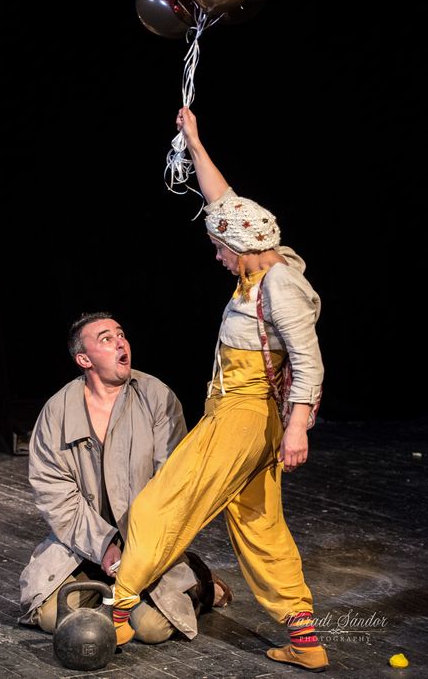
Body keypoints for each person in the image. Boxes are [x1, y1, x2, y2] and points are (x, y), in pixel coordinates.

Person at [112, 107, 328, 671]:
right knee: (259, 525)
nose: (216, 255)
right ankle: (305, 639)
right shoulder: (262, 262)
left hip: (244, 415)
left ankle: (119, 610)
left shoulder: (279, 287)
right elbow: (224, 202)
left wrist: (298, 428)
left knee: (165, 500)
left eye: (219, 247)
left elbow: (309, 362)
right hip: (248, 418)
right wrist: (194, 141)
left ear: (241, 245)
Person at [18, 311, 232, 643]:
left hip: (147, 541)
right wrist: (104, 546)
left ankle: (200, 580)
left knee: (152, 629)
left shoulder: (156, 397)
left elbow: (172, 482)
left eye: (121, 335)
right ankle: (111, 592)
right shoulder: (58, 411)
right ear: (84, 359)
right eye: (106, 339)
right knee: (51, 616)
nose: (120, 342)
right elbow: (54, 494)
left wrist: (138, 549)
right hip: (85, 543)